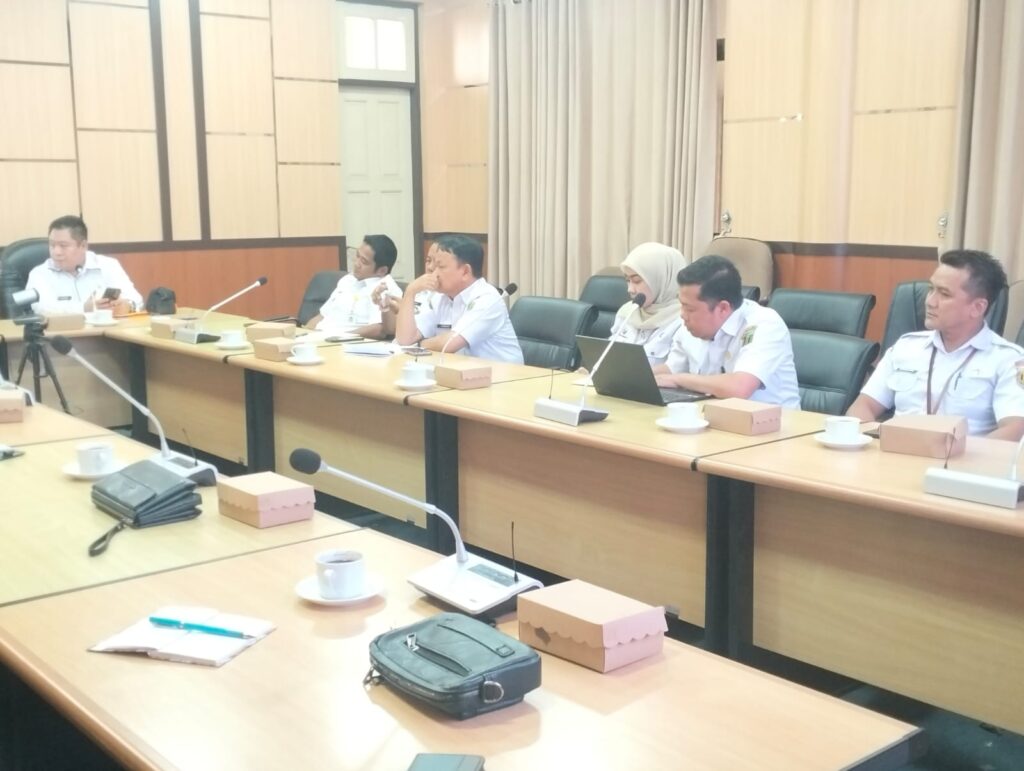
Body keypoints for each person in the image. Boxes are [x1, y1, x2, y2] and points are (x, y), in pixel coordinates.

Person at [847, 249, 1024, 439]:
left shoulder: (1009, 360)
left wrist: (956, 452)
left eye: (944, 294)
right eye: (931, 289)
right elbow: (863, 406)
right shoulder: (906, 347)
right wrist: (874, 442)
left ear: (977, 307)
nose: (930, 301)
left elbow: (1015, 429)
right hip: (894, 451)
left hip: (963, 456)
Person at [654, 254, 801, 408]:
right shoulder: (689, 326)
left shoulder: (764, 324)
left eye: (689, 309)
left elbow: (739, 388)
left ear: (723, 308)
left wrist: (679, 379)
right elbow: (671, 371)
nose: (682, 315)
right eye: (682, 305)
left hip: (771, 420)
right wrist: (640, 376)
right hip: (711, 414)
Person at [394, 234, 524, 364]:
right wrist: (410, 292)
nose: (431, 270)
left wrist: (417, 345)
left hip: (504, 374)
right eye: (430, 263)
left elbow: (449, 344)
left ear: (465, 272)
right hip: (461, 370)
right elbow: (405, 339)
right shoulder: (437, 297)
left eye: (440, 266)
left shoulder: (487, 298)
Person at [26, 215, 143, 314]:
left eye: (63, 246)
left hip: (107, 330)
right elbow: (41, 309)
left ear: (83, 246)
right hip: (63, 333)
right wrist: (84, 308)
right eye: (52, 245)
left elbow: (137, 300)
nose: (56, 252)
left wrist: (127, 306)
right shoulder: (40, 273)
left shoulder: (107, 265)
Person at [306, 235, 402, 339]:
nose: (356, 264)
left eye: (364, 262)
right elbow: (322, 316)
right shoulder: (347, 280)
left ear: (382, 270)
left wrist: (340, 338)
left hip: (341, 342)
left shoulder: (385, 288)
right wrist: (303, 332)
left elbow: (379, 330)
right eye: (357, 256)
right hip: (319, 338)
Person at [609, 242, 688, 366]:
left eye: (636, 281)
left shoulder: (685, 319)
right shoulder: (627, 311)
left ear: (662, 279)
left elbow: (675, 370)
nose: (630, 289)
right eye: (627, 280)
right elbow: (608, 355)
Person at [372, 240, 440, 330]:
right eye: (428, 261)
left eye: (439, 264)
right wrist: (387, 305)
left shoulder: (445, 297)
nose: (430, 267)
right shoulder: (420, 292)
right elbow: (391, 329)